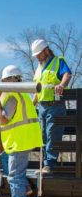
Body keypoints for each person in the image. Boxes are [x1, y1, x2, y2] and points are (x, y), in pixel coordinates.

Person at [0, 65, 43, 197]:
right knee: (4, 159)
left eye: (5, 80)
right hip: (21, 140)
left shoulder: (12, 95)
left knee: (14, 177)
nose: (3, 83)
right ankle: (25, 188)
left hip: (19, 142)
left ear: (12, 80)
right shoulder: (22, 93)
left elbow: (3, 119)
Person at [31, 39, 72, 174]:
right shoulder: (39, 68)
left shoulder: (58, 61)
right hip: (42, 106)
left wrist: (62, 85)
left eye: (38, 54)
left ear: (46, 51)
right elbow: (38, 90)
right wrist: (32, 105)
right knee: (42, 135)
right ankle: (45, 164)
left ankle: (50, 165)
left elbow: (67, 74)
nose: (37, 57)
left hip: (55, 104)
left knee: (52, 133)